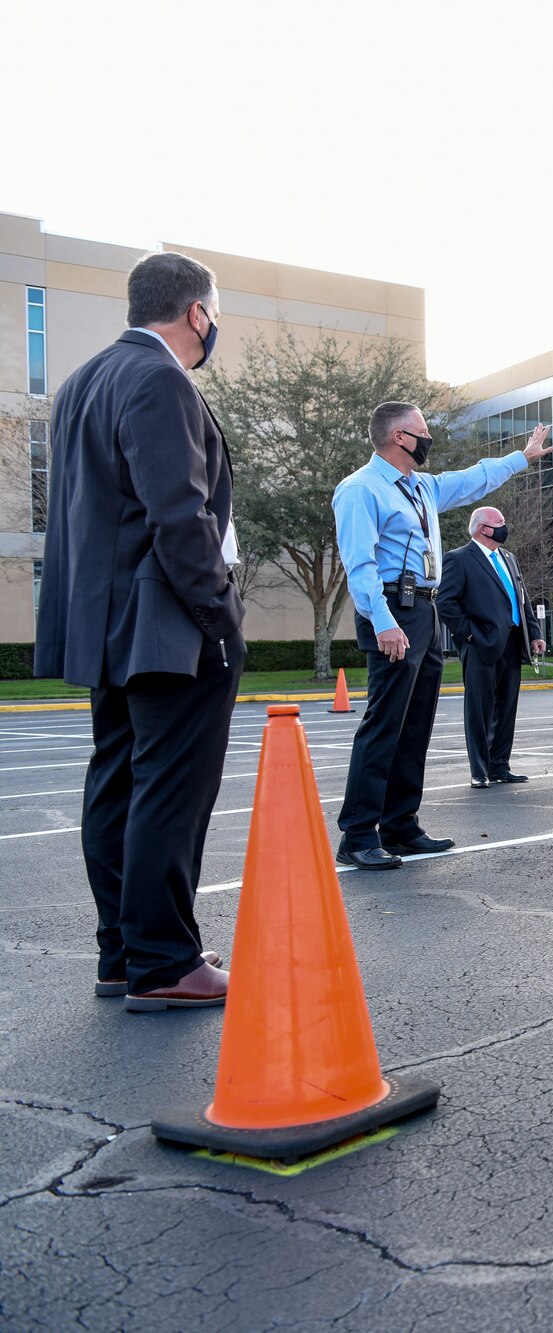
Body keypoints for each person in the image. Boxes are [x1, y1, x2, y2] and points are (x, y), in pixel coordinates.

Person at [34, 252, 240, 1011]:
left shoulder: (81, 383)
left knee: (117, 781)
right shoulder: (159, 379)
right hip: (166, 625)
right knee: (169, 788)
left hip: (107, 622)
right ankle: (164, 959)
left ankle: (124, 952)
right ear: (196, 314)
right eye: (214, 314)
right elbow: (178, 514)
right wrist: (218, 614)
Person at [331, 407, 552, 869]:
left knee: (415, 725)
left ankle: (401, 826)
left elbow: (474, 478)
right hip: (394, 608)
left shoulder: (422, 488)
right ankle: (357, 834)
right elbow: (360, 563)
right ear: (398, 436)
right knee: (385, 722)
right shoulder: (360, 489)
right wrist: (382, 619)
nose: (429, 440)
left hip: (424, 610)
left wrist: (522, 457)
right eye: (423, 433)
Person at [439, 505, 545, 788]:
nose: (504, 526)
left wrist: (533, 633)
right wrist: (469, 635)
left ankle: (500, 765)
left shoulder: (509, 558)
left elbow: (522, 600)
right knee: (479, 708)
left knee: (506, 707)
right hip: (480, 644)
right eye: (499, 522)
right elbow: (446, 603)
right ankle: (479, 770)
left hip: (512, 642)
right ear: (481, 528)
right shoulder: (459, 559)